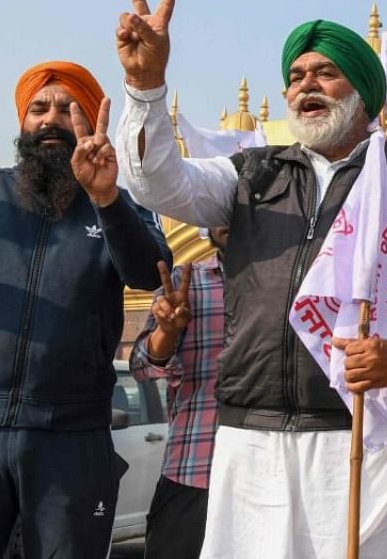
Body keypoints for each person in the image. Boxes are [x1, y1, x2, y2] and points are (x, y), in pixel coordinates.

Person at [112, 0, 387, 558]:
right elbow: (158, 182)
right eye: (296, 75)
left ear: (362, 91)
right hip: (251, 437)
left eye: (325, 72)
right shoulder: (252, 173)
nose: (307, 84)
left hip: (364, 434)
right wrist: (146, 87)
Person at [0, 61, 168, 557]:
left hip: (70, 439)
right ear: (22, 121)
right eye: (38, 108)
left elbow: (152, 269)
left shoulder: (117, 201)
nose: (51, 119)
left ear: (90, 121)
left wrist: (106, 198)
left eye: (69, 108)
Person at [130, 228, 230, 559]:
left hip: (271, 479)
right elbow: (142, 367)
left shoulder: (294, 288)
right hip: (193, 473)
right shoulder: (185, 284)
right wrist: (167, 332)